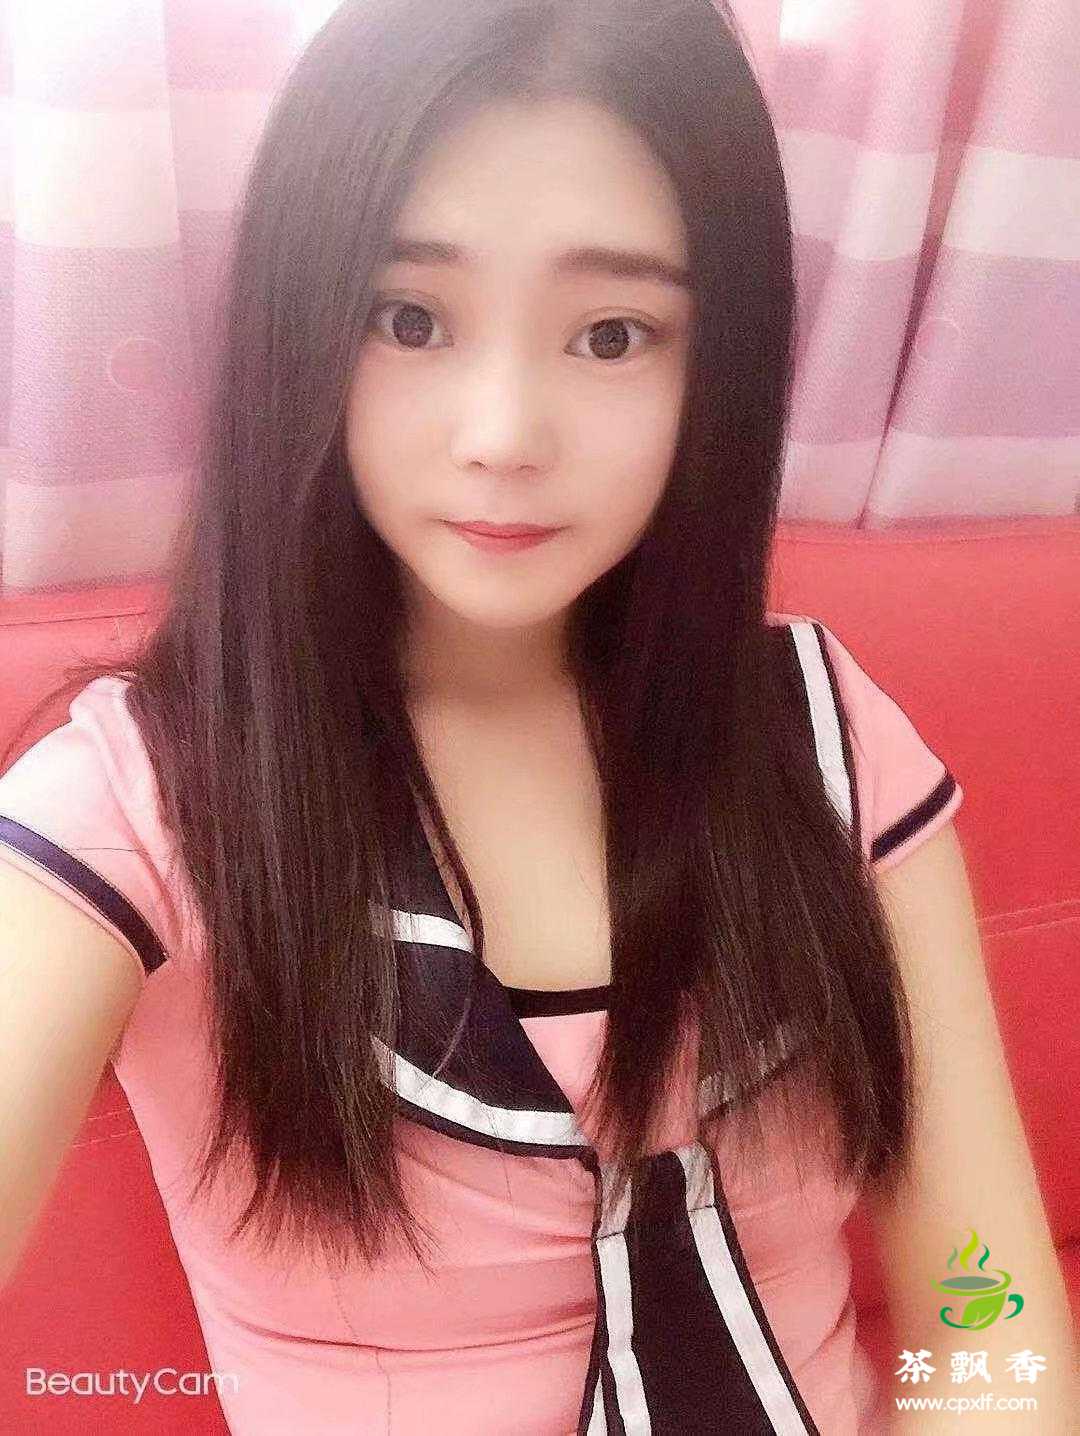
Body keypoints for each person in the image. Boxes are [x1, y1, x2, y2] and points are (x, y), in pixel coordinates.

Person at [1, 1, 1076, 1432]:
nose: (504, 432)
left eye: (612, 335)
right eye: (410, 319)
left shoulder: (825, 741)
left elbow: (984, 1315)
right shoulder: (140, 806)